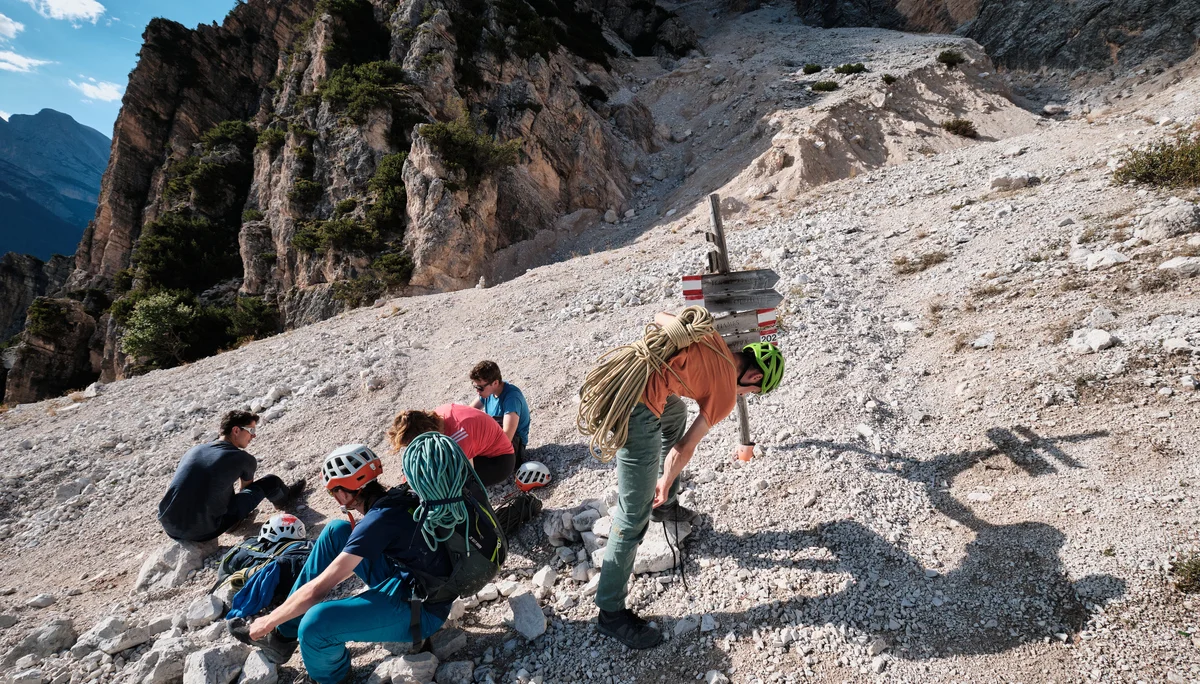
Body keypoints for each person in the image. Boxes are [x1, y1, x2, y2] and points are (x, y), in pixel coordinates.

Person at [587, 311, 784, 649]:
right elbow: (684, 448)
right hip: (637, 409)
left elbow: (661, 317)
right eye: (752, 390)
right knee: (632, 516)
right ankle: (610, 612)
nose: (746, 394)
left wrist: (682, 330)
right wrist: (664, 481)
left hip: (633, 379)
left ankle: (665, 508)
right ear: (753, 375)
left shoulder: (710, 336)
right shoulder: (725, 395)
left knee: (675, 410)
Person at [231, 441, 492, 684]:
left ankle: (333, 676)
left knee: (315, 624)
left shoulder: (376, 521)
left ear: (343, 494)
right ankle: (284, 635)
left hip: (422, 610)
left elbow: (318, 590)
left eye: (333, 491)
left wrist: (267, 621)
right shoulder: (396, 499)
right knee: (336, 531)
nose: (335, 498)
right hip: (414, 580)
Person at [157, 410, 305, 542]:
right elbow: (246, 491)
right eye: (251, 430)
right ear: (236, 430)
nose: (253, 436)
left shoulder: (194, 451)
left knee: (213, 486)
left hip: (170, 526)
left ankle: (227, 521)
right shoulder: (242, 458)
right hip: (203, 532)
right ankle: (284, 500)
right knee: (271, 481)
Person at [388, 404, 515, 486]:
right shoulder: (438, 415)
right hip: (479, 449)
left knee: (446, 485)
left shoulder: (458, 436)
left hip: (499, 460)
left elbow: (466, 477)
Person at [468, 360, 531, 464]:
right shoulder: (489, 391)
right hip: (496, 435)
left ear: (495, 383)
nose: (477, 391)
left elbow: (507, 437)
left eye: (480, 388)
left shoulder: (512, 398)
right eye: (475, 386)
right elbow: (468, 413)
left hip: (514, 445)